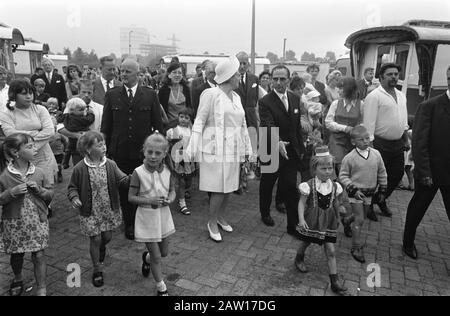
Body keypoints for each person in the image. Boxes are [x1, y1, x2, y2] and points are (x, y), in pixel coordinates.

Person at [186, 56, 253, 242]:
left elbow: (243, 125)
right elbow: (199, 120)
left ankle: (221, 218)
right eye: (238, 75)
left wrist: (248, 149)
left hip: (233, 148)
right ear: (230, 76)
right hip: (213, 148)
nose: (240, 78)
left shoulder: (237, 97)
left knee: (229, 186)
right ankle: (212, 222)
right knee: (217, 188)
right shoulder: (210, 94)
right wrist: (191, 149)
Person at [101, 59, 163, 240]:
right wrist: (104, 148)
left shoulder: (150, 95)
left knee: (142, 187)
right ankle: (129, 223)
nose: (123, 74)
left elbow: (158, 126)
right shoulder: (112, 95)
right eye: (122, 71)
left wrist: (157, 150)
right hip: (119, 151)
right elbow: (106, 126)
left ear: (138, 74)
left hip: (141, 153)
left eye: (128, 71)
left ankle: (141, 220)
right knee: (124, 187)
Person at [67, 131, 127, 287]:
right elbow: (72, 187)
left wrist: (134, 178)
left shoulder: (110, 164)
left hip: (108, 209)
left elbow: (122, 179)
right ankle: (97, 268)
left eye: (104, 144)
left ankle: (100, 249)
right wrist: (74, 197)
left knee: (106, 237)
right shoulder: (80, 168)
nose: (104, 147)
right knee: (95, 239)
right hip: (90, 212)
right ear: (87, 149)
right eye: (99, 145)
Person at [402, 66, 450, 260]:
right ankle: (407, 242)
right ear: (448, 78)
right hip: (431, 171)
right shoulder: (431, 106)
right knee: (418, 208)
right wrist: (425, 173)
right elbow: (420, 142)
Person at [0, 133, 54, 296]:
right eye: (30, 146)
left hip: (38, 220)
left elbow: (50, 195)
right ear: (16, 153)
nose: (35, 148)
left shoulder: (40, 172)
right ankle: (17, 277)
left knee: (39, 254)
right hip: (14, 223)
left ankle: (42, 287)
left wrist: (41, 191)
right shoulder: (3, 176)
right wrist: (10, 193)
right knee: (17, 254)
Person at [258, 64, 305, 236]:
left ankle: (293, 226)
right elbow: (267, 124)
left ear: (289, 80)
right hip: (270, 148)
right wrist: (277, 142)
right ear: (270, 80)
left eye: (282, 79)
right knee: (267, 184)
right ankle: (265, 212)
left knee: (291, 188)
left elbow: (296, 126)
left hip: (290, 151)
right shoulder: (265, 102)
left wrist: (299, 148)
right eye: (275, 79)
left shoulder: (294, 99)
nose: (278, 82)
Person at [295, 146, 347, 295]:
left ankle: (334, 281)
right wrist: (301, 218)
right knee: (306, 241)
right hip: (313, 219)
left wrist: (337, 216)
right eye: (323, 168)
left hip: (329, 220)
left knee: (330, 250)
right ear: (314, 168)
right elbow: (301, 203)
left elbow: (335, 202)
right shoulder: (308, 185)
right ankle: (299, 257)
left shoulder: (335, 186)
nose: (328, 171)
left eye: (330, 168)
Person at [128, 133, 176, 296]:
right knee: (157, 257)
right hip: (147, 219)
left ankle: (146, 258)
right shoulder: (138, 172)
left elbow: (172, 191)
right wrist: (150, 201)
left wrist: (170, 198)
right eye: (150, 152)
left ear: (165, 153)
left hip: (163, 218)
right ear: (144, 151)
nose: (153, 156)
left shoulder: (168, 170)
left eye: (157, 153)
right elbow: (130, 197)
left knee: (163, 253)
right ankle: (161, 288)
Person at [363, 63, 409, 221]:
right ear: (381, 77)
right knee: (375, 177)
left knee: (396, 175)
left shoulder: (401, 95)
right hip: (379, 143)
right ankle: (368, 206)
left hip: (397, 144)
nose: (394, 77)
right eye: (390, 74)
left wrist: (405, 138)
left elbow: (403, 120)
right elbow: (368, 123)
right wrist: (369, 146)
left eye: (396, 74)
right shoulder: (374, 96)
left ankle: (379, 199)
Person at [339, 125, 387, 263]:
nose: (365, 141)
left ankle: (347, 221)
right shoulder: (349, 158)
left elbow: (382, 172)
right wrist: (353, 189)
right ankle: (356, 247)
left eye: (367, 138)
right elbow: (343, 176)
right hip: (355, 194)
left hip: (370, 193)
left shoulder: (376, 154)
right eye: (361, 139)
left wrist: (383, 189)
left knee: (361, 217)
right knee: (360, 220)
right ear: (353, 142)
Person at [0, 79, 57, 185]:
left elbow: (50, 131)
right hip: (20, 158)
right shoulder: (7, 114)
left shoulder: (40, 109)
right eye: (24, 93)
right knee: (24, 191)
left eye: (30, 93)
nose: (29, 96)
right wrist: (35, 132)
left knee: (46, 190)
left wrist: (25, 138)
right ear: (14, 95)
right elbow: (11, 135)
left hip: (43, 156)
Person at [325, 77, 364, 171]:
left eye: (341, 88)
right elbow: (328, 122)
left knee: (353, 166)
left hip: (354, 141)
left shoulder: (361, 104)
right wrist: (345, 128)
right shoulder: (335, 103)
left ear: (349, 89)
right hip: (337, 140)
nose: (338, 90)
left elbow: (364, 122)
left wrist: (358, 129)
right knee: (340, 165)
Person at [166, 108, 196, 215]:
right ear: (178, 117)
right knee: (182, 182)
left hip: (189, 160)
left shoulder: (192, 131)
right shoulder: (173, 131)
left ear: (190, 119)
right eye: (181, 117)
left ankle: (185, 190)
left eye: (186, 118)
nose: (183, 119)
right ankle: (182, 203)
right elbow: (167, 142)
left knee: (189, 180)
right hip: (178, 161)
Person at [61, 97, 95, 168]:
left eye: (84, 109)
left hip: (72, 139)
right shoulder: (79, 119)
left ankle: (65, 162)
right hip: (83, 139)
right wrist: (91, 114)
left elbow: (60, 119)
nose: (83, 111)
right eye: (81, 110)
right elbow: (89, 120)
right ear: (72, 110)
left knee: (69, 149)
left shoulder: (67, 117)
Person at [158, 62, 192, 129]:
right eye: (174, 72)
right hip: (169, 126)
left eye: (179, 73)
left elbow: (190, 107)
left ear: (182, 75)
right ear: (169, 75)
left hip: (185, 126)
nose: (177, 75)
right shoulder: (163, 90)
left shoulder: (186, 89)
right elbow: (159, 109)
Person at [49, 117, 68, 183]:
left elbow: (65, 142)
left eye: (54, 128)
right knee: (51, 166)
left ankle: (59, 175)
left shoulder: (59, 135)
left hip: (59, 152)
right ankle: (52, 177)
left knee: (59, 165)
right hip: (50, 153)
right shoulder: (47, 136)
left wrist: (65, 149)